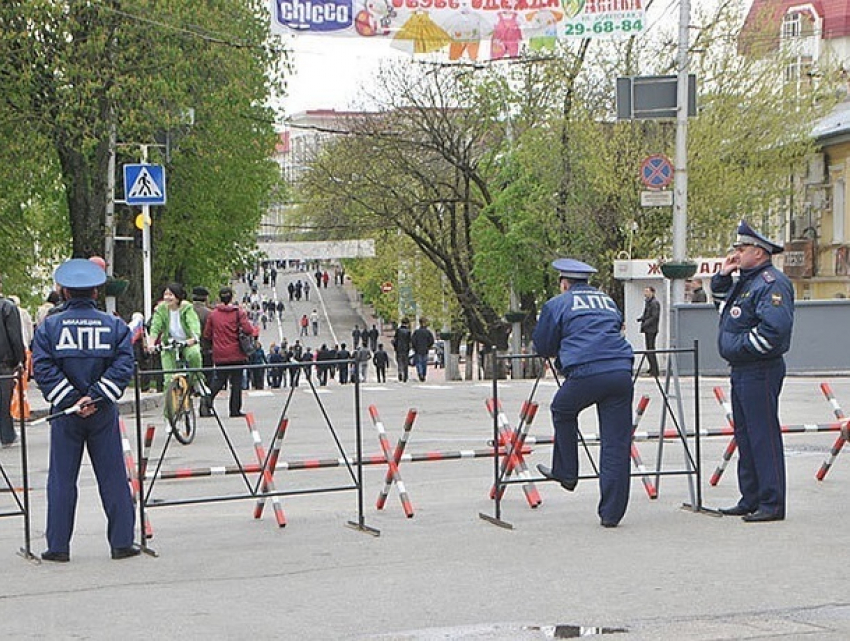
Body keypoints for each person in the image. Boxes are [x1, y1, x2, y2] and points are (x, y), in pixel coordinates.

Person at [31, 259, 138, 561]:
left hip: (65, 414)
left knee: (62, 479)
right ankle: (121, 543)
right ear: (96, 292)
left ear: (64, 292)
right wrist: (95, 396)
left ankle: (58, 547)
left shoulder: (49, 326)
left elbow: (42, 367)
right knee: (113, 476)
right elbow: (123, 365)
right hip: (102, 411)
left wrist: (70, 401)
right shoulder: (114, 324)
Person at [532, 258, 635, 528]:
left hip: (587, 372)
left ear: (564, 283)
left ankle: (566, 472)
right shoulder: (608, 301)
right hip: (621, 372)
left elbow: (542, 344)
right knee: (616, 444)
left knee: (562, 410)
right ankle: (612, 513)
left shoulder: (558, 304)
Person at [711, 220, 794, 523]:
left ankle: (771, 503)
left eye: (742, 249)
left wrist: (739, 346)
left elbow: (775, 331)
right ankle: (751, 498)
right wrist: (722, 275)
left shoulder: (771, 283)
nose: (736, 253)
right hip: (743, 369)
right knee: (745, 436)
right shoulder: (747, 281)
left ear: (759, 253)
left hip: (759, 368)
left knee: (763, 436)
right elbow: (723, 309)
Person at [203, 287, 256, 418]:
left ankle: (206, 402)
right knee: (236, 382)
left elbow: (207, 334)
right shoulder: (238, 313)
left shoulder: (213, 314)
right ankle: (234, 410)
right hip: (237, 353)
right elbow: (248, 329)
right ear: (231, 298)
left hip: (219, 353)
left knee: (219, 380)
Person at [146, 283, 205, 396]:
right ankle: (169, 411)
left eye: (171, 294)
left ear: (178, 297)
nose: (167, 297)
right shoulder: (161, 309)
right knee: (168, 379)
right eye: (165, 294)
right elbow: (155, 326)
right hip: (169, 345)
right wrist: (151, 343)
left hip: (187, 343)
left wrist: (194, 337)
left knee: (194, 355)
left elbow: (193, 323)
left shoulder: (187, 308)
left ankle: (197, 380)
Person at [0, 276, 25, 447]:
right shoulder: (7, 307)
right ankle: (7, 434)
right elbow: (15, 337)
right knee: (3, 400)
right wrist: (20, 360)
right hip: (4, 362)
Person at [636, 286, 661, 377]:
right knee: (648, 349)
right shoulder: (648, 302)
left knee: (651, 349)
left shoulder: (654, 303)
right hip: (648, 328)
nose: (645, 293)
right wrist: (641, 319)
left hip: (651, 329)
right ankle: (652, 368)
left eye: (647, 291)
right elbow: (646, 314)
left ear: (652, 292)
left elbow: (654, 316)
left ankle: (655, 370)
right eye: (645, 291)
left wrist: (646, 323)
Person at [410, 318, 435, 382]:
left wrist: (414, 347)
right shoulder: (428, 332)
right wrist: (428, 346)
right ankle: (423, 375)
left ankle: (420, 374)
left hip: (418, 350)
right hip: (425, 350)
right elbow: (431, 341)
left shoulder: (416, 332)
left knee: (419, 363)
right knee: (424, 363)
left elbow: (413, 341)